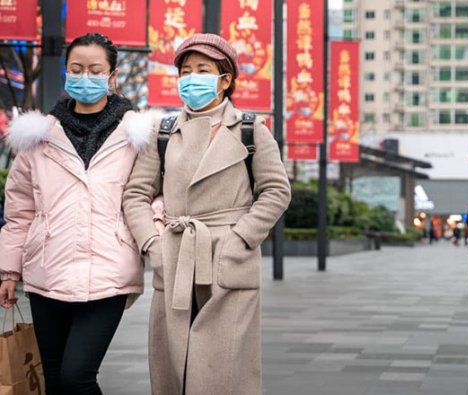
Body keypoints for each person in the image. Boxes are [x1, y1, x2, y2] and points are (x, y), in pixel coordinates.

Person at [122, 33, 291, 395]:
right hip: (177, 254)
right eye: (185, 71)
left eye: (202, 69)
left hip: (229, 255)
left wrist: (240, 237)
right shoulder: (163, 131)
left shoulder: (250, 128)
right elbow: (136, 193)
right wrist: (153, 244)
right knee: (174, 362)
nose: (191, 78)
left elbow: (276, 191)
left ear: (225, 79)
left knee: (224, 365)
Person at [0, 33, 148, 394]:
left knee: (77, 375)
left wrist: (148, 237)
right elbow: (20, 210)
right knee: (52, 375)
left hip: (108, 270)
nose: (85, 77)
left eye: (95, 70)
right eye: (76, 69)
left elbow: (154, 195)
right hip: (47, 270)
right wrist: (8, 269)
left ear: (112, 76)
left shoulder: (138, 137)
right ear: (66, 72)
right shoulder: (38, 138)